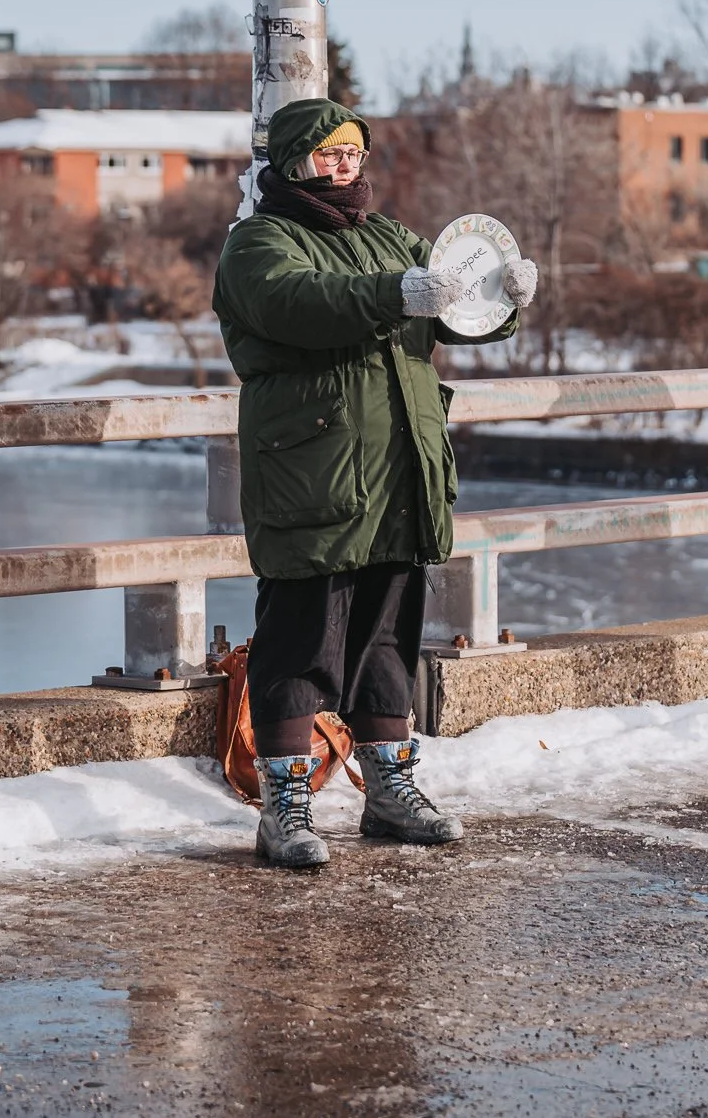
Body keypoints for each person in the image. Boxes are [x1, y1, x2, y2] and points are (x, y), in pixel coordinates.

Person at [214, 97, 539, 867]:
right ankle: (283, 806)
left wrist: (504, 300)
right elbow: (301, 305)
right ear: (293, 161)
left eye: (354, 152)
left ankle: (391, 791)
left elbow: (453, 309)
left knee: (388, 640)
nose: (345, 165)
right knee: (298, 642)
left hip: (399, 475)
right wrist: (396, 294)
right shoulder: (257, 243)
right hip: (314, 476)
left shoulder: (392, 237)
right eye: (330, 153)